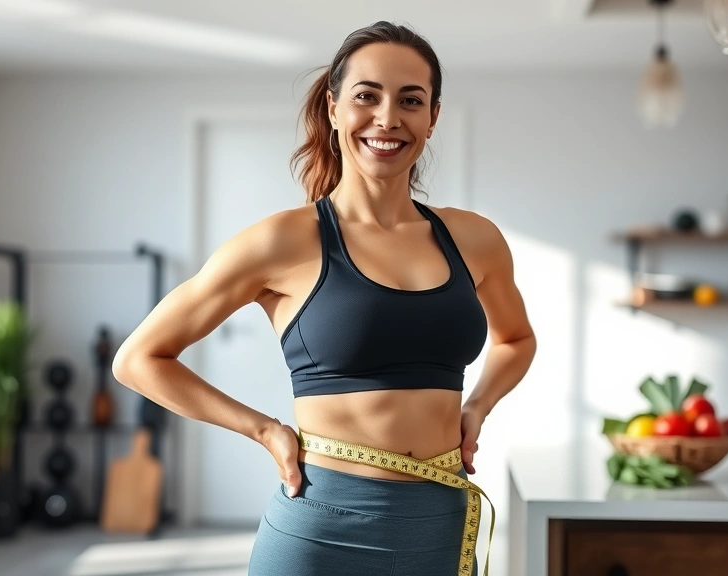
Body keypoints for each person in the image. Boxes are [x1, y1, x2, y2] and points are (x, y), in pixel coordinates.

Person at [112, 20, 536, 576]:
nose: (388, 118)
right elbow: (139, 360)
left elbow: (516, 339)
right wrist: (263, 430)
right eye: (367, 96)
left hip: (437, 518)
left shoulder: (474, 239)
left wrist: (477, 406)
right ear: (334, 108)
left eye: (411, 100)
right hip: (319, 527)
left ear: (432, 118)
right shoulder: (282, 241)